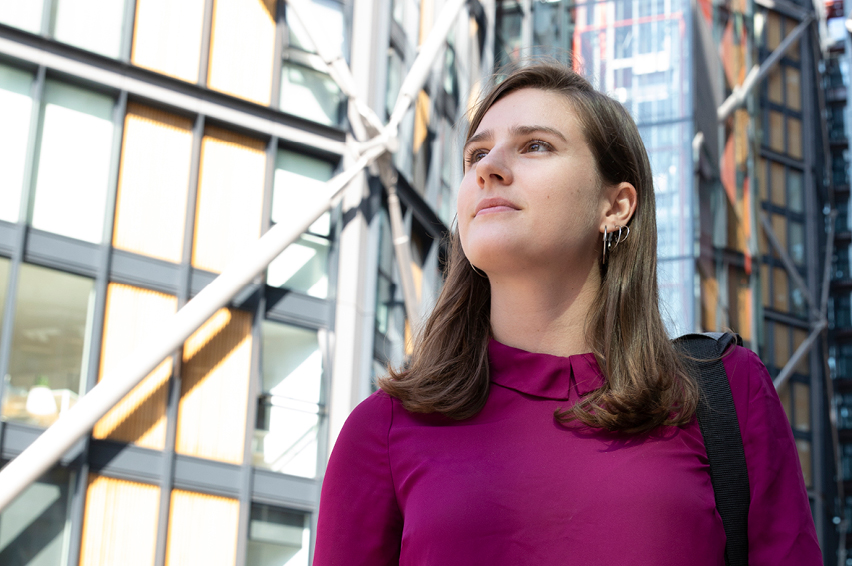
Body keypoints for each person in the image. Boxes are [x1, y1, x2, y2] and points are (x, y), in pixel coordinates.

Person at [312, 62, 821, 565]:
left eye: (536, 145)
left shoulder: (726, 392)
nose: (489, 168)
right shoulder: (380, 429)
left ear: (616, 206)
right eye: (476, 154)